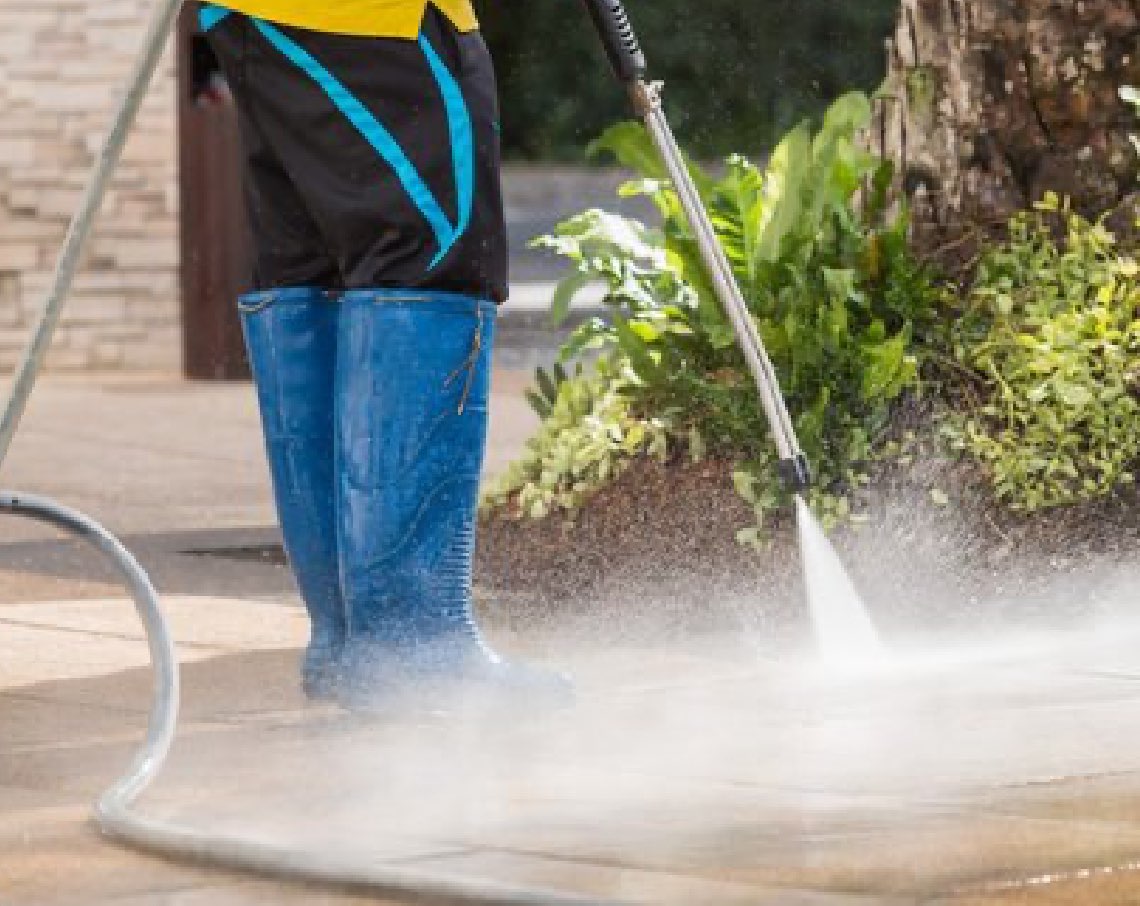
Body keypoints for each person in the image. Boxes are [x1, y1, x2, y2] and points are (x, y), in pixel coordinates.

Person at [198, 0, 569, 708]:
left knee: (317, 276)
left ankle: (353, 645)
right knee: (428, 257)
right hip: (372, 20)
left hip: (259, 17)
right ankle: (412, 647)